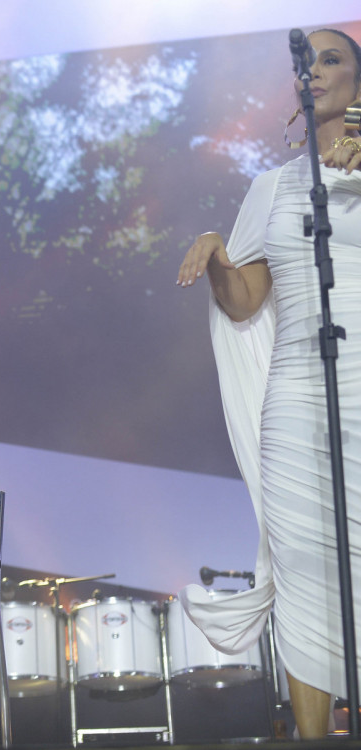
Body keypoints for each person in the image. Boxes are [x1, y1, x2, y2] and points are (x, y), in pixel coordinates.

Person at [176, 29, 361, 740]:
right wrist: (221, 257)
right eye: (304, 64)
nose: (313, 73)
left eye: (332, 59)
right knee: (302, 561)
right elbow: (246, 301)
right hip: (294, 392)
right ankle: (312, 738)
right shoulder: (271, 187)